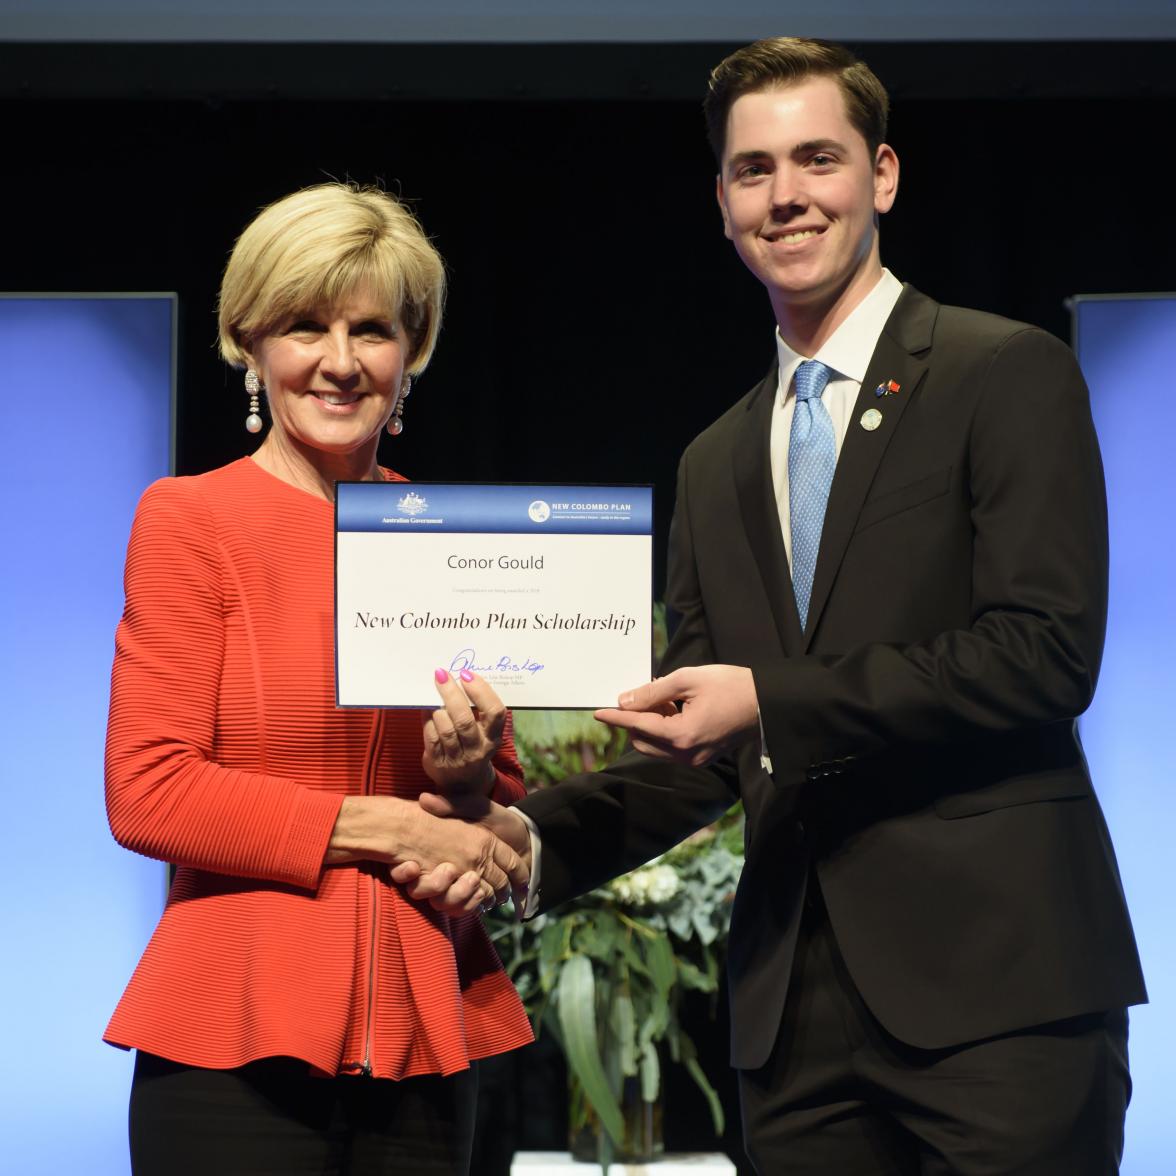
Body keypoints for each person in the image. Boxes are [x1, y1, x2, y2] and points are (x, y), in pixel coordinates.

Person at [410, 38, 1147, 1175]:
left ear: (883, 175)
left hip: (1001, 997)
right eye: (754, 170)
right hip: (794, 1025)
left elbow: (1044, 654)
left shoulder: (1005, 373)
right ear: (721, 202)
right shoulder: (714, 458)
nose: (787, 195)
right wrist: (526, 837)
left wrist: (768, 697)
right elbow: (703, 749)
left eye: (818, 159)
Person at [104, 182, 531, 1176]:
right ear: (250, 340)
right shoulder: (188, 520)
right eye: (305, 325)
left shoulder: (452, 533)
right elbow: (148, 788)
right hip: (230, 1029)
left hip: (423, 1018)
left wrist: (465, 784)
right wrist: (387, 825)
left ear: (411, 351)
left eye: (372, 330)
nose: (340, 362)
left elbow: (493, 803)